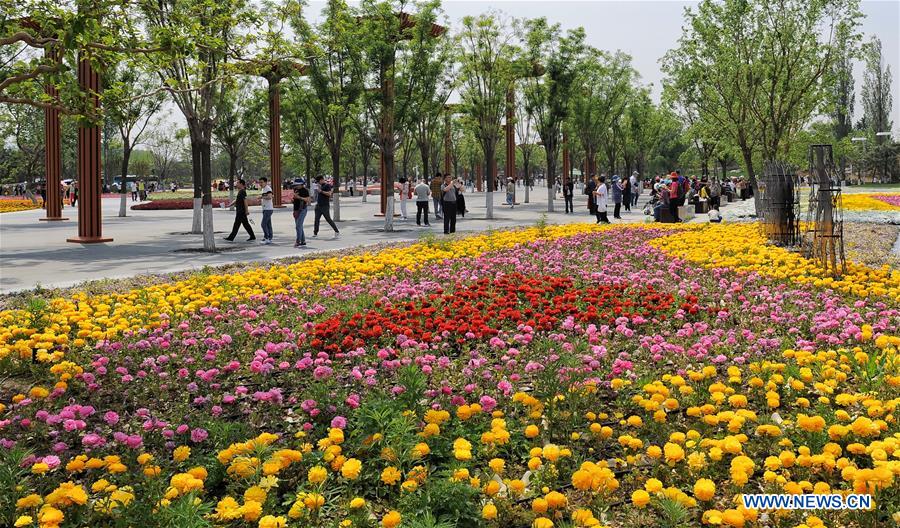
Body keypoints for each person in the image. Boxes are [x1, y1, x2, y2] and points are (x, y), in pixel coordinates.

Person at [292, 182, 311, 247]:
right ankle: (303, 241)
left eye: (297, 184)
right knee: (299, 226)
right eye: (295, 185)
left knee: (298, 226)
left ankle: (298, 241)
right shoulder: (295, 189)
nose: (296, 186)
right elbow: (294, 199)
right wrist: (293, 199)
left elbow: (308, 200)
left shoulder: (305, 190)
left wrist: (299, 197)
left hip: (302, 209)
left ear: (301, 184)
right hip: (296, 209)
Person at [259, 177, 274, 244]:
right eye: (260, 182)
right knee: (268, 224)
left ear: (265, 182)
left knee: (263, 224)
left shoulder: (268, 188)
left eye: (262, 182)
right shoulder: (263, 189)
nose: (260, 184)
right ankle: (269, 238)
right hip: (265, 208)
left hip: (268, 209)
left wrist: (261, 197)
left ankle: (266, 237)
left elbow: (270, 197)